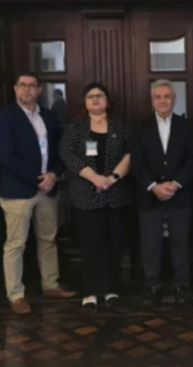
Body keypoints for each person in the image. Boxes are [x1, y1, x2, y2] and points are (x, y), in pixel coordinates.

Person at [0, 72, 75, 314]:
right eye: (22, 85)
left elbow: (59, 150)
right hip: (18, 191)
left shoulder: (48, 116)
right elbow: (5, 155)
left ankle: (51, 285)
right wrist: (37, 178)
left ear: (39, 90)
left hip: (47, 189)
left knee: (48, 240)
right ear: (15, 89)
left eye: (31, 86)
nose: (27, 90)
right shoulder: (4, 117)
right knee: (16, 243)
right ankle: (16, 294)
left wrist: (53, 174)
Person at [60, 83, 133, 311]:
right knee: (91, 245)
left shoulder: (120, 126)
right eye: (90, 96)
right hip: (86, 195)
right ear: (84, 102)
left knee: (113, 243)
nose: (95, 99)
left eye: (99, 96)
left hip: (115, 193)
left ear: (107, 101)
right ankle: (91, 291)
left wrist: (112, 178)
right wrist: (95, 178)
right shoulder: (76, 127)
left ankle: (111, 289)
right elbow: (67, 154)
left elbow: (131, 153)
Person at [131, 80, 193, 305]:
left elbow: (192, 160)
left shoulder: (186, 126)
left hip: (180, 194)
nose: (162, 101)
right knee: (150, 244)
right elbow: (137, 163)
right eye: (158, 97)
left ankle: (181, 285)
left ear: (174, 99)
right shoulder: (140, 128)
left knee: (181, 241)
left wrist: (176, 184)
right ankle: (152, 285)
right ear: (152, 101)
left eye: (167, 96)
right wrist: (154, 186)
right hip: (149, 195)